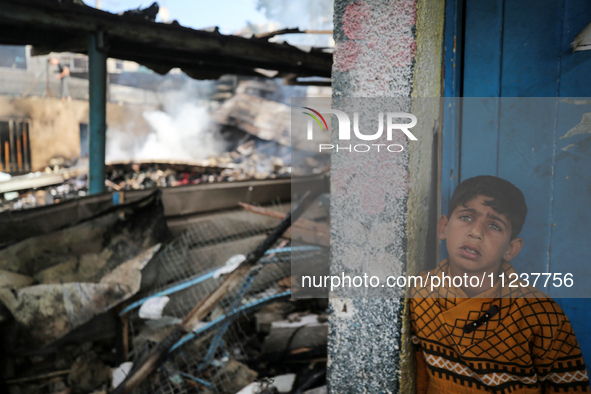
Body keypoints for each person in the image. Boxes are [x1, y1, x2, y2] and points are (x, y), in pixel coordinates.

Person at [410, 175, 590, 393]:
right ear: (443, 228)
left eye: (494, 226)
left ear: (511, 249)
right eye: (466, 217)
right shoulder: (421, 293)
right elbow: (419, 380)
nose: (476, 232)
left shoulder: (540, 313)